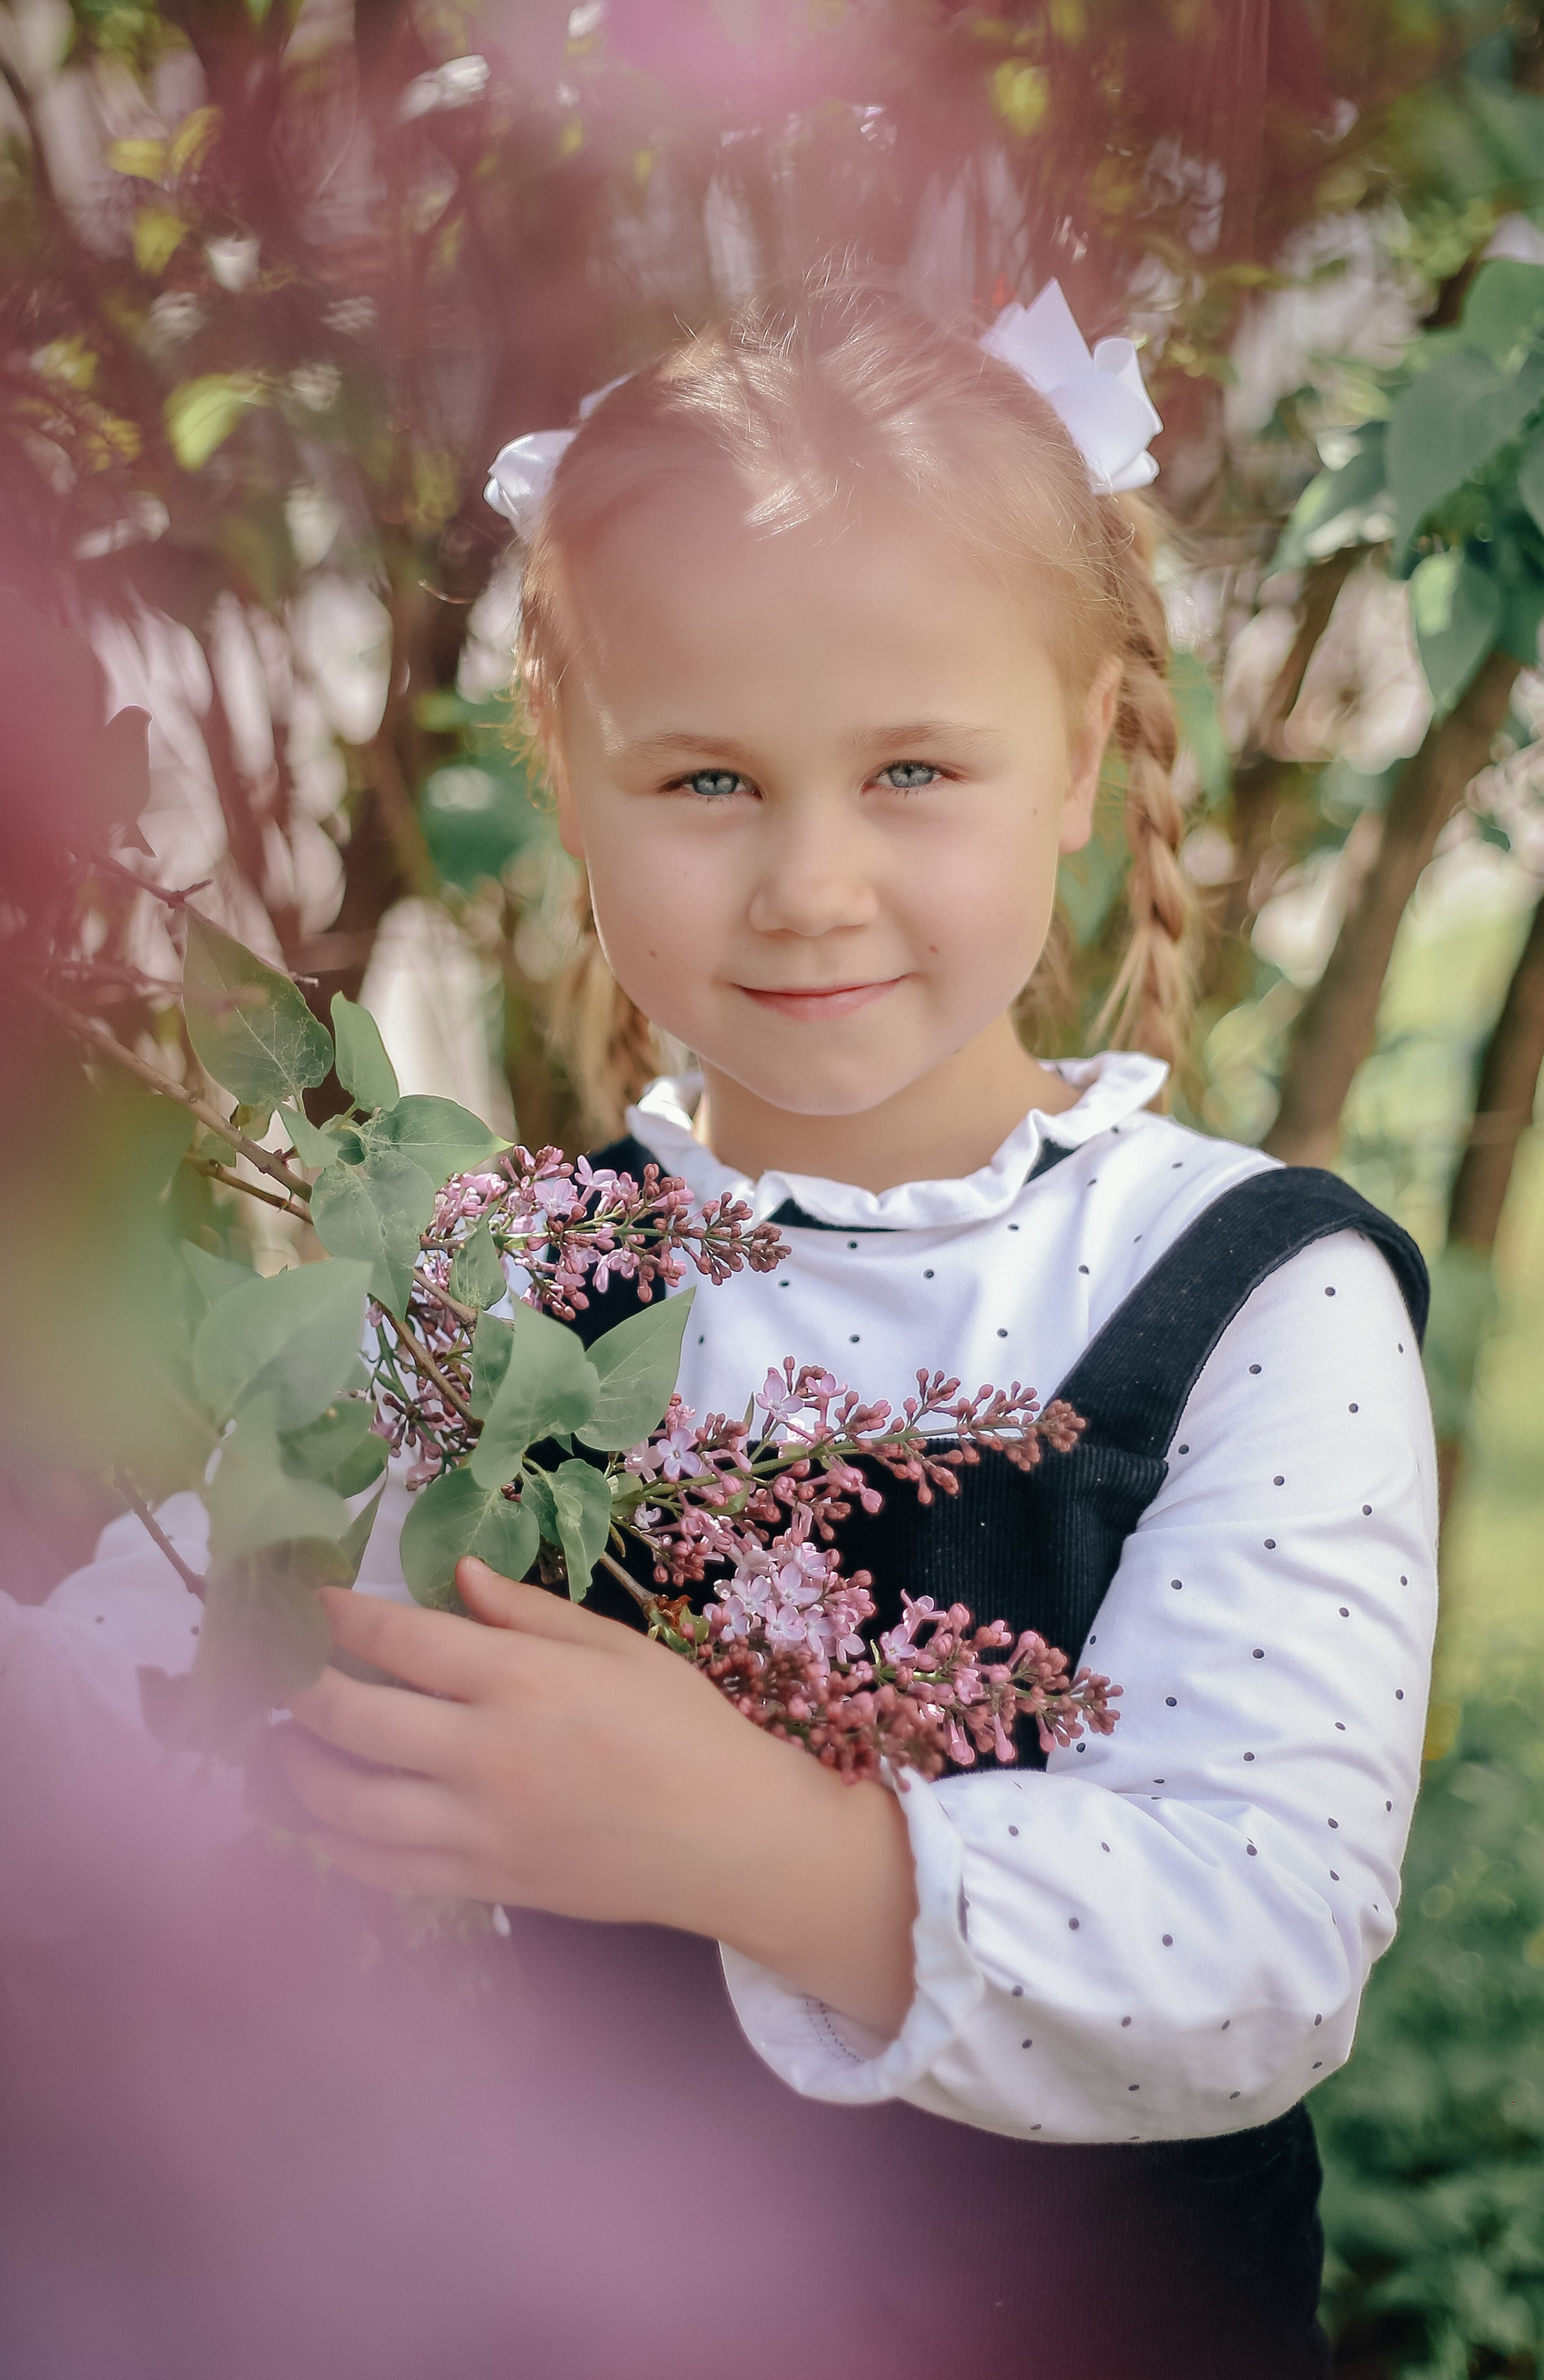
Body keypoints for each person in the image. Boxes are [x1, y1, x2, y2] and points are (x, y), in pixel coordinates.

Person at [259, 277, 1437, 2375]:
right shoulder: (510, 1286)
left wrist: (756, 1846)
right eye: (707, 780)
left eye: (911, 767)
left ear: (1079, 761)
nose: (809, 881)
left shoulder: (1260, 1304)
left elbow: (1257, 1957)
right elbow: (331, 1800)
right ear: (571, 778)